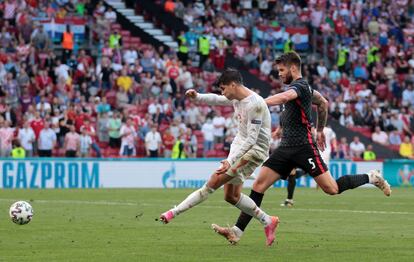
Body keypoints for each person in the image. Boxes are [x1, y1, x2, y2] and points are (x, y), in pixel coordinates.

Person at [211, 52, 391, 246]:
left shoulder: (301, 86)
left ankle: (372, 178)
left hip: (304, 148)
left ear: (293, 68)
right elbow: (322, 102)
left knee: (332, 189)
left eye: (281, 70)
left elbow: (286, 98)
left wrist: (257, 102)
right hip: (285, 148)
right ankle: (237, 232)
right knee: (258, 186)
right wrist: (316, 129)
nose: (279, 74)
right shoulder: (304, 90)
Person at [159, 69, 279, 246]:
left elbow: (252, 140)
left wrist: (230, 161)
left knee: (212, 182)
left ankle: (173, 212)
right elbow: (217, 99)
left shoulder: (256, 104)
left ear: (233, 84)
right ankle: (268, 221)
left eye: (223, 88)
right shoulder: (236, 97)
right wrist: (197, 97)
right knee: (231, 196)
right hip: (239, 147)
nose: (222, 92)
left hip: (254, 151)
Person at [281, 126, 337, 207]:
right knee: (294, 172)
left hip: (308, 151)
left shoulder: (315, 128)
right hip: (302, 150)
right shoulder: (306, 126)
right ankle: (289, 199)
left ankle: (289, 198)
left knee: (302, 172)